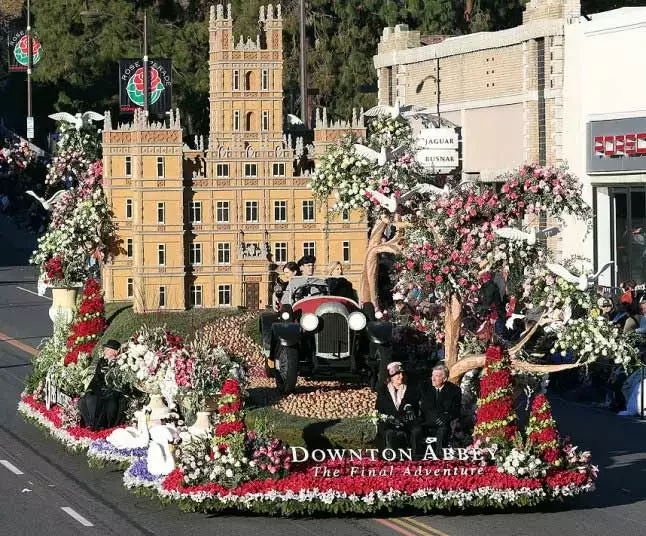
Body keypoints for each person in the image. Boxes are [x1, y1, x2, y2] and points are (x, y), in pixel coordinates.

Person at [411, 365, 462, 459]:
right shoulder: (424, 387)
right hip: (426, 421)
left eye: (437, 376)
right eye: (432, 375)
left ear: (445, 378)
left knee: (442, 431)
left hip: (443, 423)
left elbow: (456, 410)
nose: (433, 379)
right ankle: (416, 459)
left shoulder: (454, 390)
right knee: (415, 431)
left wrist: (445, 417)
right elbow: (413, 401)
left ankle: (439, 460)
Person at [78, 340, 128, 431]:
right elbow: (96, 378)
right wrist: (89, 390)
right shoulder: (101, 361)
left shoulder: (121, 362)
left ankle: (97, 426)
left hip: (113, 390)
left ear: (115, 352)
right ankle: (89, 424)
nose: (104, 351)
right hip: (100, 389)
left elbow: (120, 381)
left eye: (107, 349)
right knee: (84, 400)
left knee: (104, 401)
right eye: (105, 349)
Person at [375, 362, 418, 453]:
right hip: (389, 424)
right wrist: (390, 419)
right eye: (398, 375)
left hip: (405, 423)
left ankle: (414, 458)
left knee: (415, 430)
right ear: (391, 377)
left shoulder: (410, 390)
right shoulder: (383, 391)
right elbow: (379, 410)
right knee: (388, 433)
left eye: (402, 374)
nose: (401, 377)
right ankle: (389, 457)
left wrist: (410, 408)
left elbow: (413, 404)